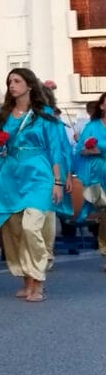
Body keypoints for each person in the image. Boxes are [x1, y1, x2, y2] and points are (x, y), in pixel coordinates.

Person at [0, 69, 69, 303]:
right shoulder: (3, 116)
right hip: (9, 176)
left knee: (32, 227)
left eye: (17, 81)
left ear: (29, 85)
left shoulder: (45, 115)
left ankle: (38, 280)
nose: (12, 85)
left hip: (39, 174)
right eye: (9, 81)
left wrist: (58, 181)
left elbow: (55, 150)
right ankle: (26, 280)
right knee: (14, 232)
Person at [71, 93, 106, 267]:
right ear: (102, 106)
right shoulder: (92, 127)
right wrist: (89, 151)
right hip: (98, 173)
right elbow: (79, 150)